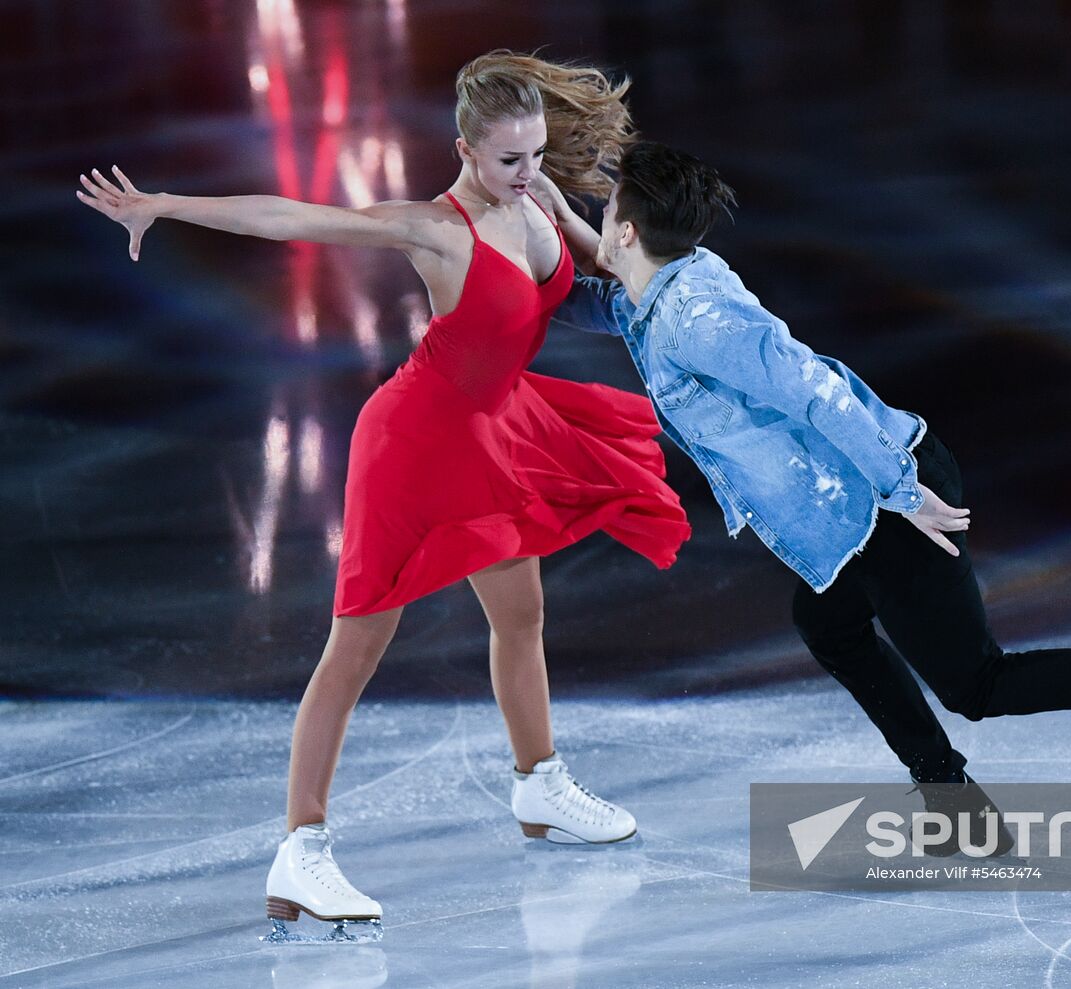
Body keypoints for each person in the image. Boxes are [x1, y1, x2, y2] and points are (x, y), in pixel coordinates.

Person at [76, 53, 690, 939]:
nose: (529, 174)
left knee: (521, 614)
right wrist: (164, 206)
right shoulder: (434, 230)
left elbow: (615, 282)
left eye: (537, 155)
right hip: (413, 443)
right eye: (511, 160)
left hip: (496, 428)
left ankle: (539, 785)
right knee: (357, 645)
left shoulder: (541, 202)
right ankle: (302, 847)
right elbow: (291, 219)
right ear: (465, 151)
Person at [538, 142, 1071, 853]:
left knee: (978, 684)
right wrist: (549, 236)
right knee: (828, 623)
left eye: (606, 215)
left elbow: (815, 391)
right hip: (852, 513)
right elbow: (610, 305)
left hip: (884, 500)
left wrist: (904, 492)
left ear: (629, 231)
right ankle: (951, 800)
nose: (599, 224)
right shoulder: (672, 285)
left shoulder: (699, 319)